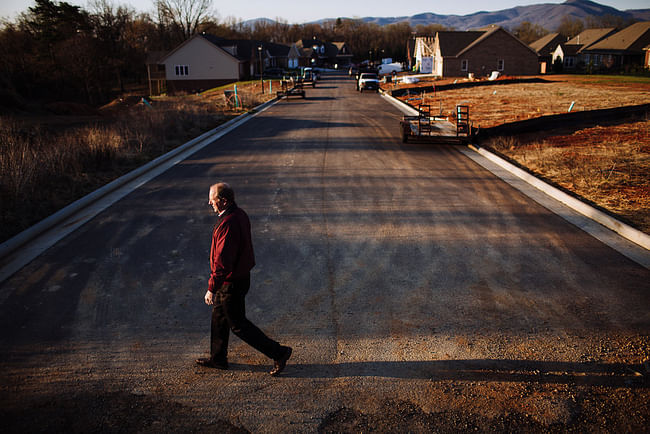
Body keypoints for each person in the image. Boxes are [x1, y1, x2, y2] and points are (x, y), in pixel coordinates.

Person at [196, 182, 292, 376]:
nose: (209, 202)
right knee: (219, 318)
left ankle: (279, 352)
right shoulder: (239, 214)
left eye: (212, 199)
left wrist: (211, 288)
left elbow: (223, 261)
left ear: (223, 201)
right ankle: (218, 358)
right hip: (238, 278)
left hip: (231, 282)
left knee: (238, 325)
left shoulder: (229, 222)